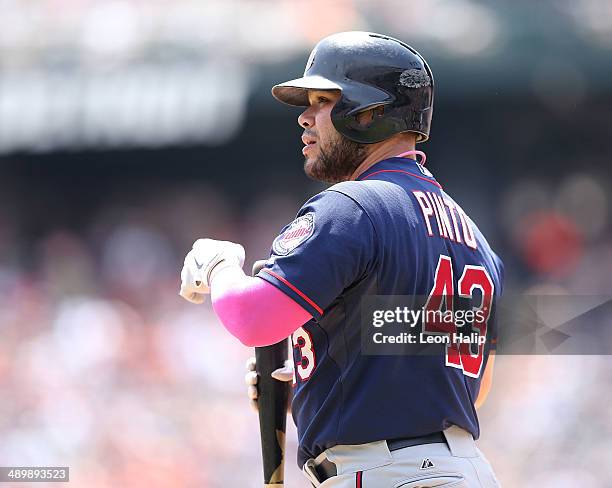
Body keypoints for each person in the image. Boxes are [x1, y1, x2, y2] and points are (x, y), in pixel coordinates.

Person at [179, 31, 503, 487]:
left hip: (384, 474)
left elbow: (252, 316)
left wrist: (219, 265)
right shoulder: (475, 238)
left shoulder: (353, 206)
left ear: (369, 113)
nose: (305, 119)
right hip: (461, 472)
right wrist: (318, 382)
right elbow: (472, 388)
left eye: (322, 101)